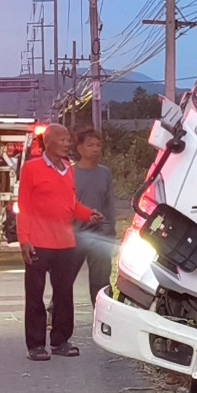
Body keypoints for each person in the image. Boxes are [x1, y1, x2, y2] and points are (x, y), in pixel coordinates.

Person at [17, 122, 101, 360]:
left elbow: (70, 204)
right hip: (38, 243)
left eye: (67, 140)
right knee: (35, 295)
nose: (67, 144)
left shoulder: (68, 169)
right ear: (48, 142)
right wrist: (24, 239)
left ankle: (61, 341)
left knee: (64, 294)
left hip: (65, 244)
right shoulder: (31, 169)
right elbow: (23, 206)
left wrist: (87, 214)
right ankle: (35, 345)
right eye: (62, 139)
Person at [72, 128, 116, 303]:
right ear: (80, 148)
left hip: (100, 235)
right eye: (90, 145)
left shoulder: (104, 173)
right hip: (74, 235)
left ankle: (101, 315)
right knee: (65, 279)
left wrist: (109, 231)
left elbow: (109, 204)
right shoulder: (70, 173)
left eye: (98, 145)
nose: (95, 149)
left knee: (101, 282)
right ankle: (55, 312)